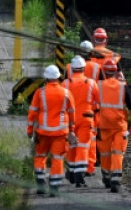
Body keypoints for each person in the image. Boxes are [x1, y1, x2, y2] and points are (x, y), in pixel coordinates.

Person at [27, 65, 76, 196]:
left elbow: (32, 113)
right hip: (60, 134)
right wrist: (71, 130)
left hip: (42, 133)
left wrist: (30, 130)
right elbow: (72, 113)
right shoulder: (66, 93)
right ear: (58, 77)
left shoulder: (40, 92)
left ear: (46, 78)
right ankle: (54, 187)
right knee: (57, 159)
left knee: (40, 156)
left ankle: (40, 182)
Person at [98, 59, 131, 193]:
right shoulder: (122, 86)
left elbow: (93, 106)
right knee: (117, 152)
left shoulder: (99, 85)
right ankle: (115, 179)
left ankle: (106, 176)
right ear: (115, 71)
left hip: (103, 125)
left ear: (104, 71)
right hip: (120, 125)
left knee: (105, 152)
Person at [62, 56, 99, 188]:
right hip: (85, 119)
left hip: (69, 120)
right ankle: (79, 177)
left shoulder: (65, 83)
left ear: (72, 68)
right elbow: (97, 103)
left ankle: (71, 172)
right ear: (84, 69)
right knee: (83, 147)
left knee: (71, 146)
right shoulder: (91, 83)